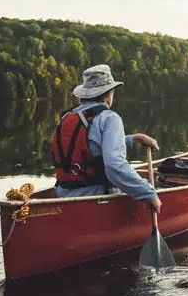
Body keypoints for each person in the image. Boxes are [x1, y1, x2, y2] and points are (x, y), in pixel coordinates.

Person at [51, 64, 161, 212]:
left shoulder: (67, 117)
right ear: (109, 94)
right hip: (94, 199)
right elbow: (114, 166)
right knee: (145, 185)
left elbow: (89, 145)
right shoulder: (109, 118)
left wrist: (133, 138)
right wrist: (148, 192)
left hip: (62, 195)